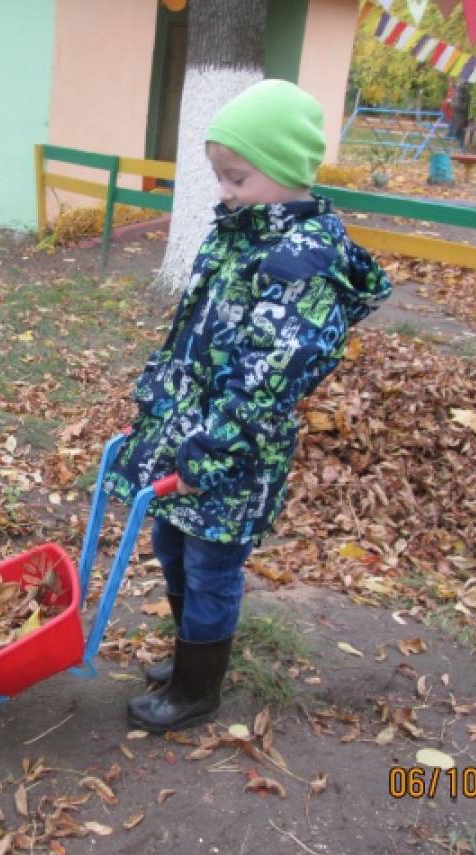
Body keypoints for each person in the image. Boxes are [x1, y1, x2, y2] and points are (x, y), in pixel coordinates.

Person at [103, 80, 392, 733]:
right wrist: (157, 402)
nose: (225, 191)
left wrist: (214, 442)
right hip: (189, 430)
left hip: (236, 450)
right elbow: (189, 330)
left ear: (287, 171)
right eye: (220, 178)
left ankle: (197, 688)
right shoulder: (235, 232)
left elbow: (271, 374)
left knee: (209, 563)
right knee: (169, 543)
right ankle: (185, 660)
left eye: (237, 177)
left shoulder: (304, 260)